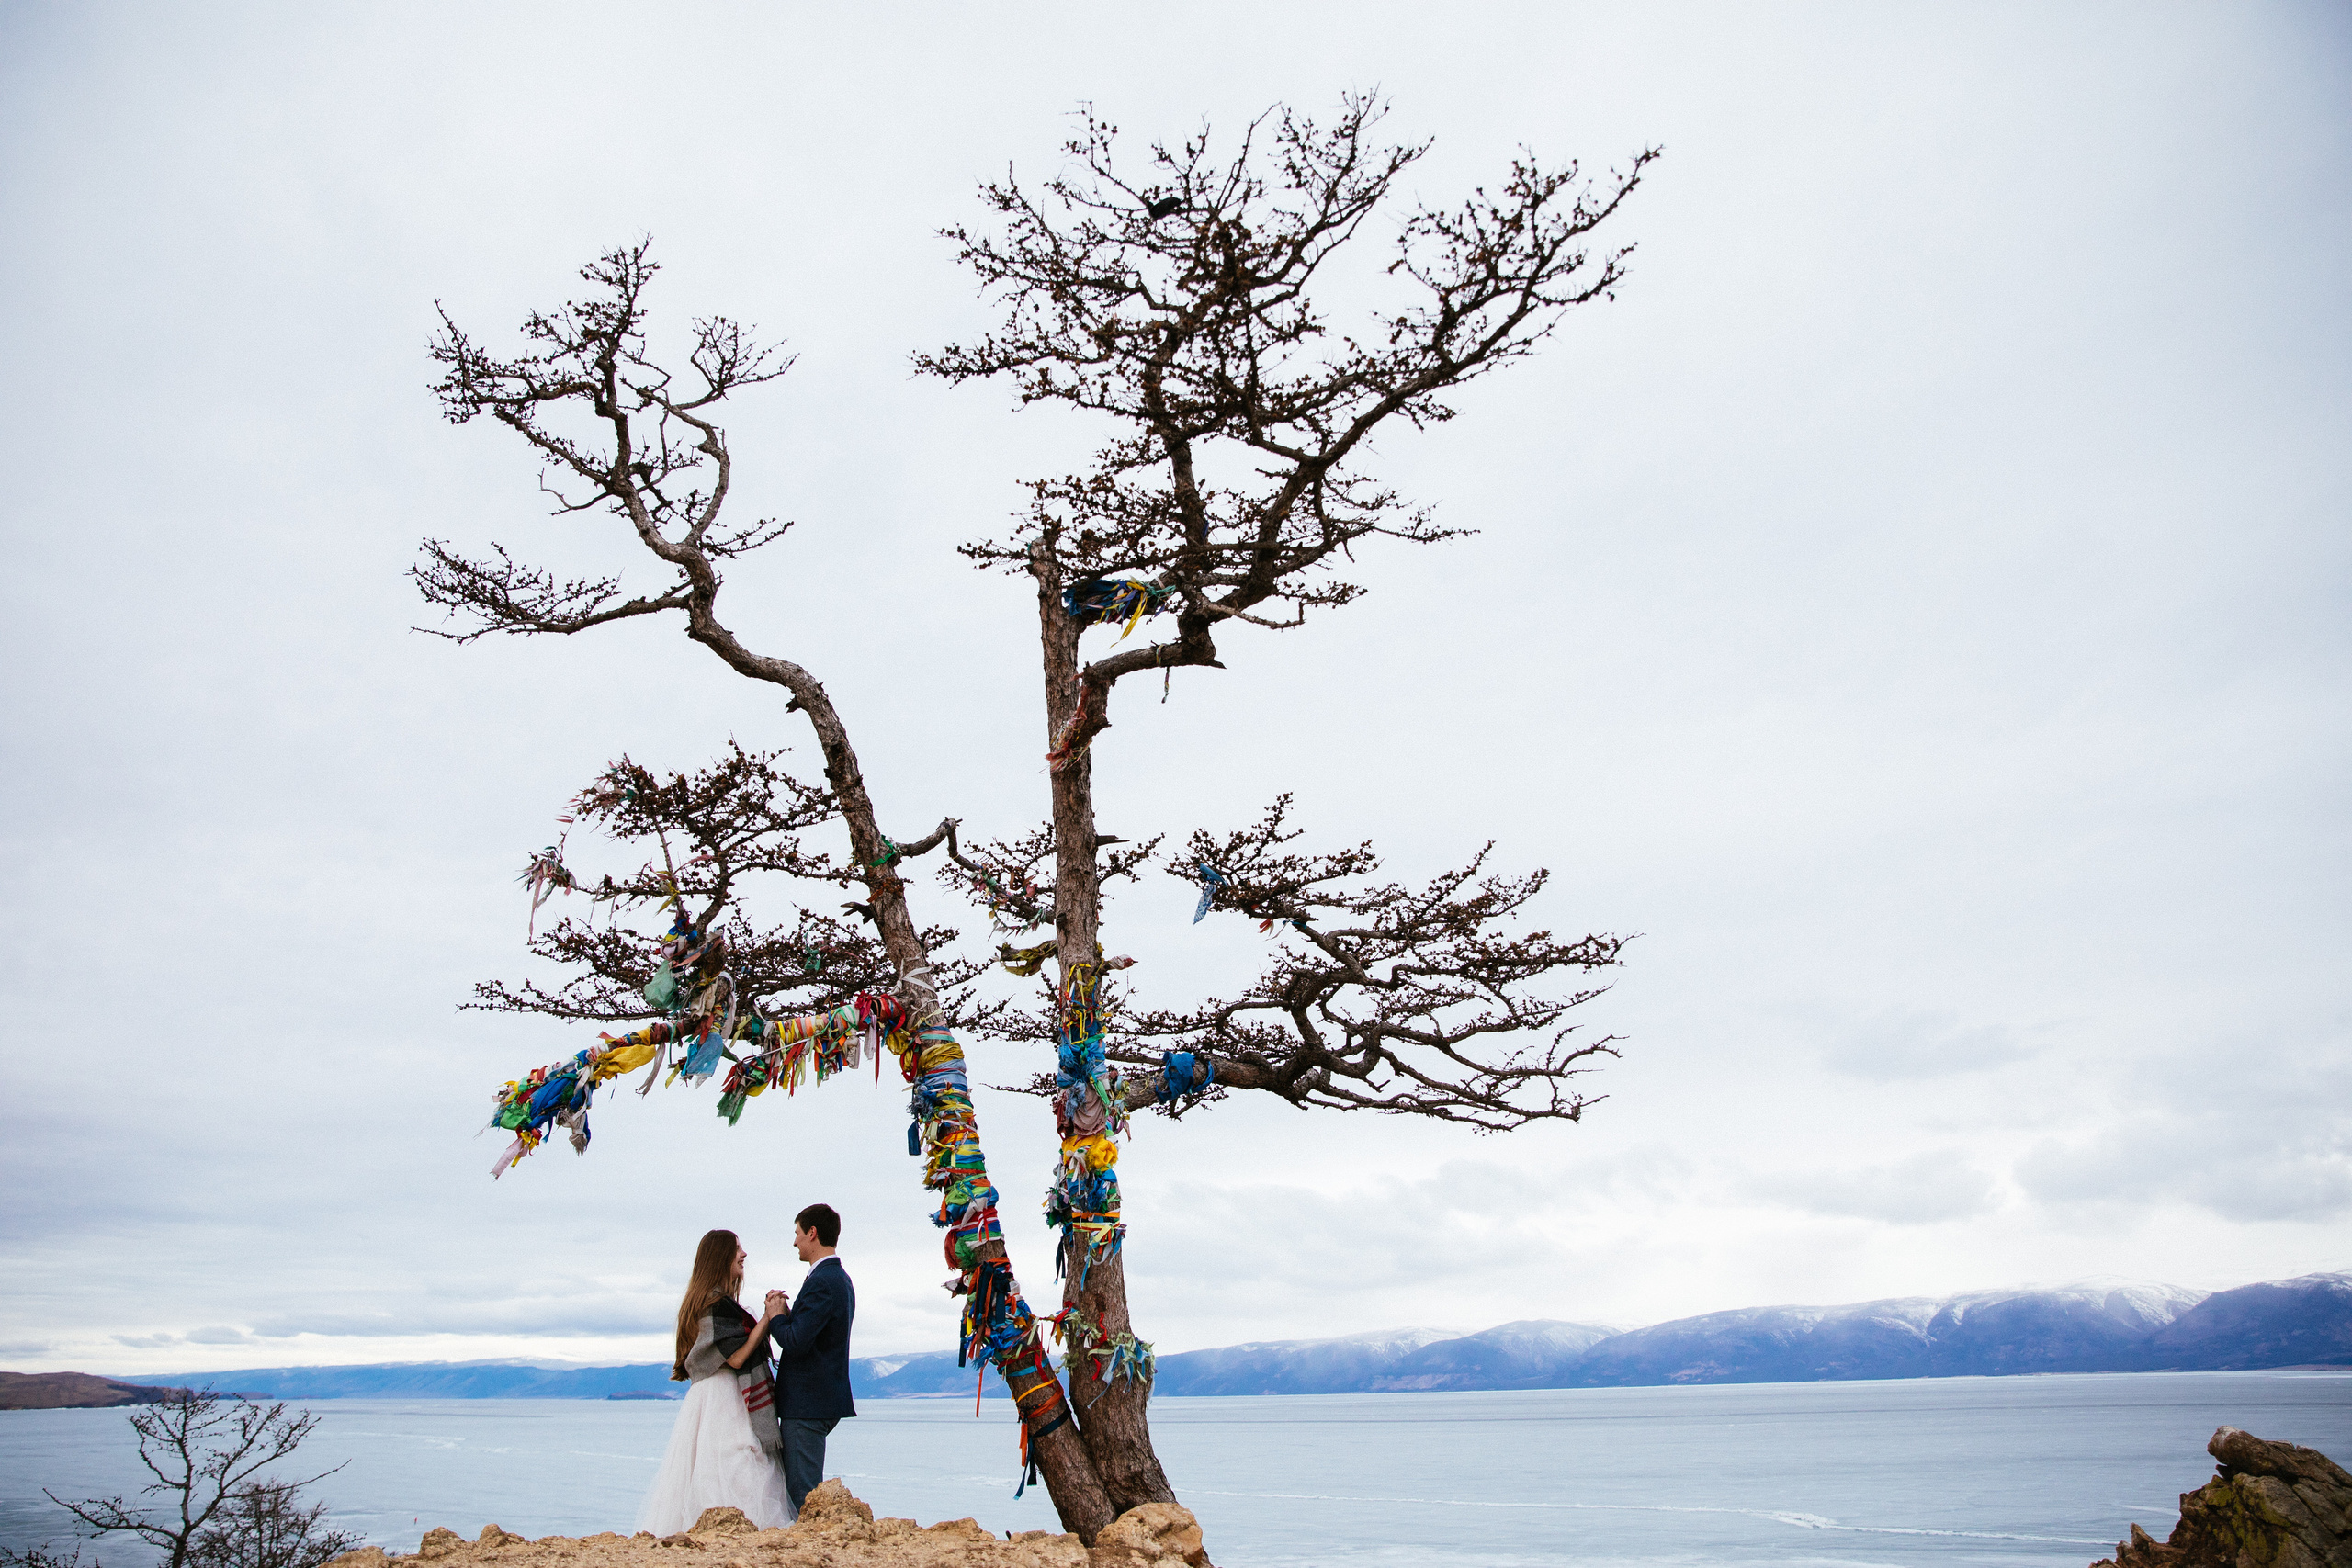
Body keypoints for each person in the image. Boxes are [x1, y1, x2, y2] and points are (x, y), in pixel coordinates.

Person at [635, 1229, 796, 1532]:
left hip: (712, 1397)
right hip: (723, 1398)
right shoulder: (716, 1304)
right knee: (735, 1464)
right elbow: (735, 1358)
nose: (744, 1254)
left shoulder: (708, 1303)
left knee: (714, 1469)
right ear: (720, 1256)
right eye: (737, 1248)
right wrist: (767, 1318)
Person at [761, 1203, 856, 1515]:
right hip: (818, 1400)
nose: (795, 1242)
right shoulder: (837, 1278)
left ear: (812, 1233)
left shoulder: (823, 1281)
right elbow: (812, 1334)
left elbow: (795, 1341)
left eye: (798, 1234)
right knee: (802, 1489)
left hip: (808, 1403)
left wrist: (775, 1318)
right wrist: (789, 1317)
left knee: (804, 1495)